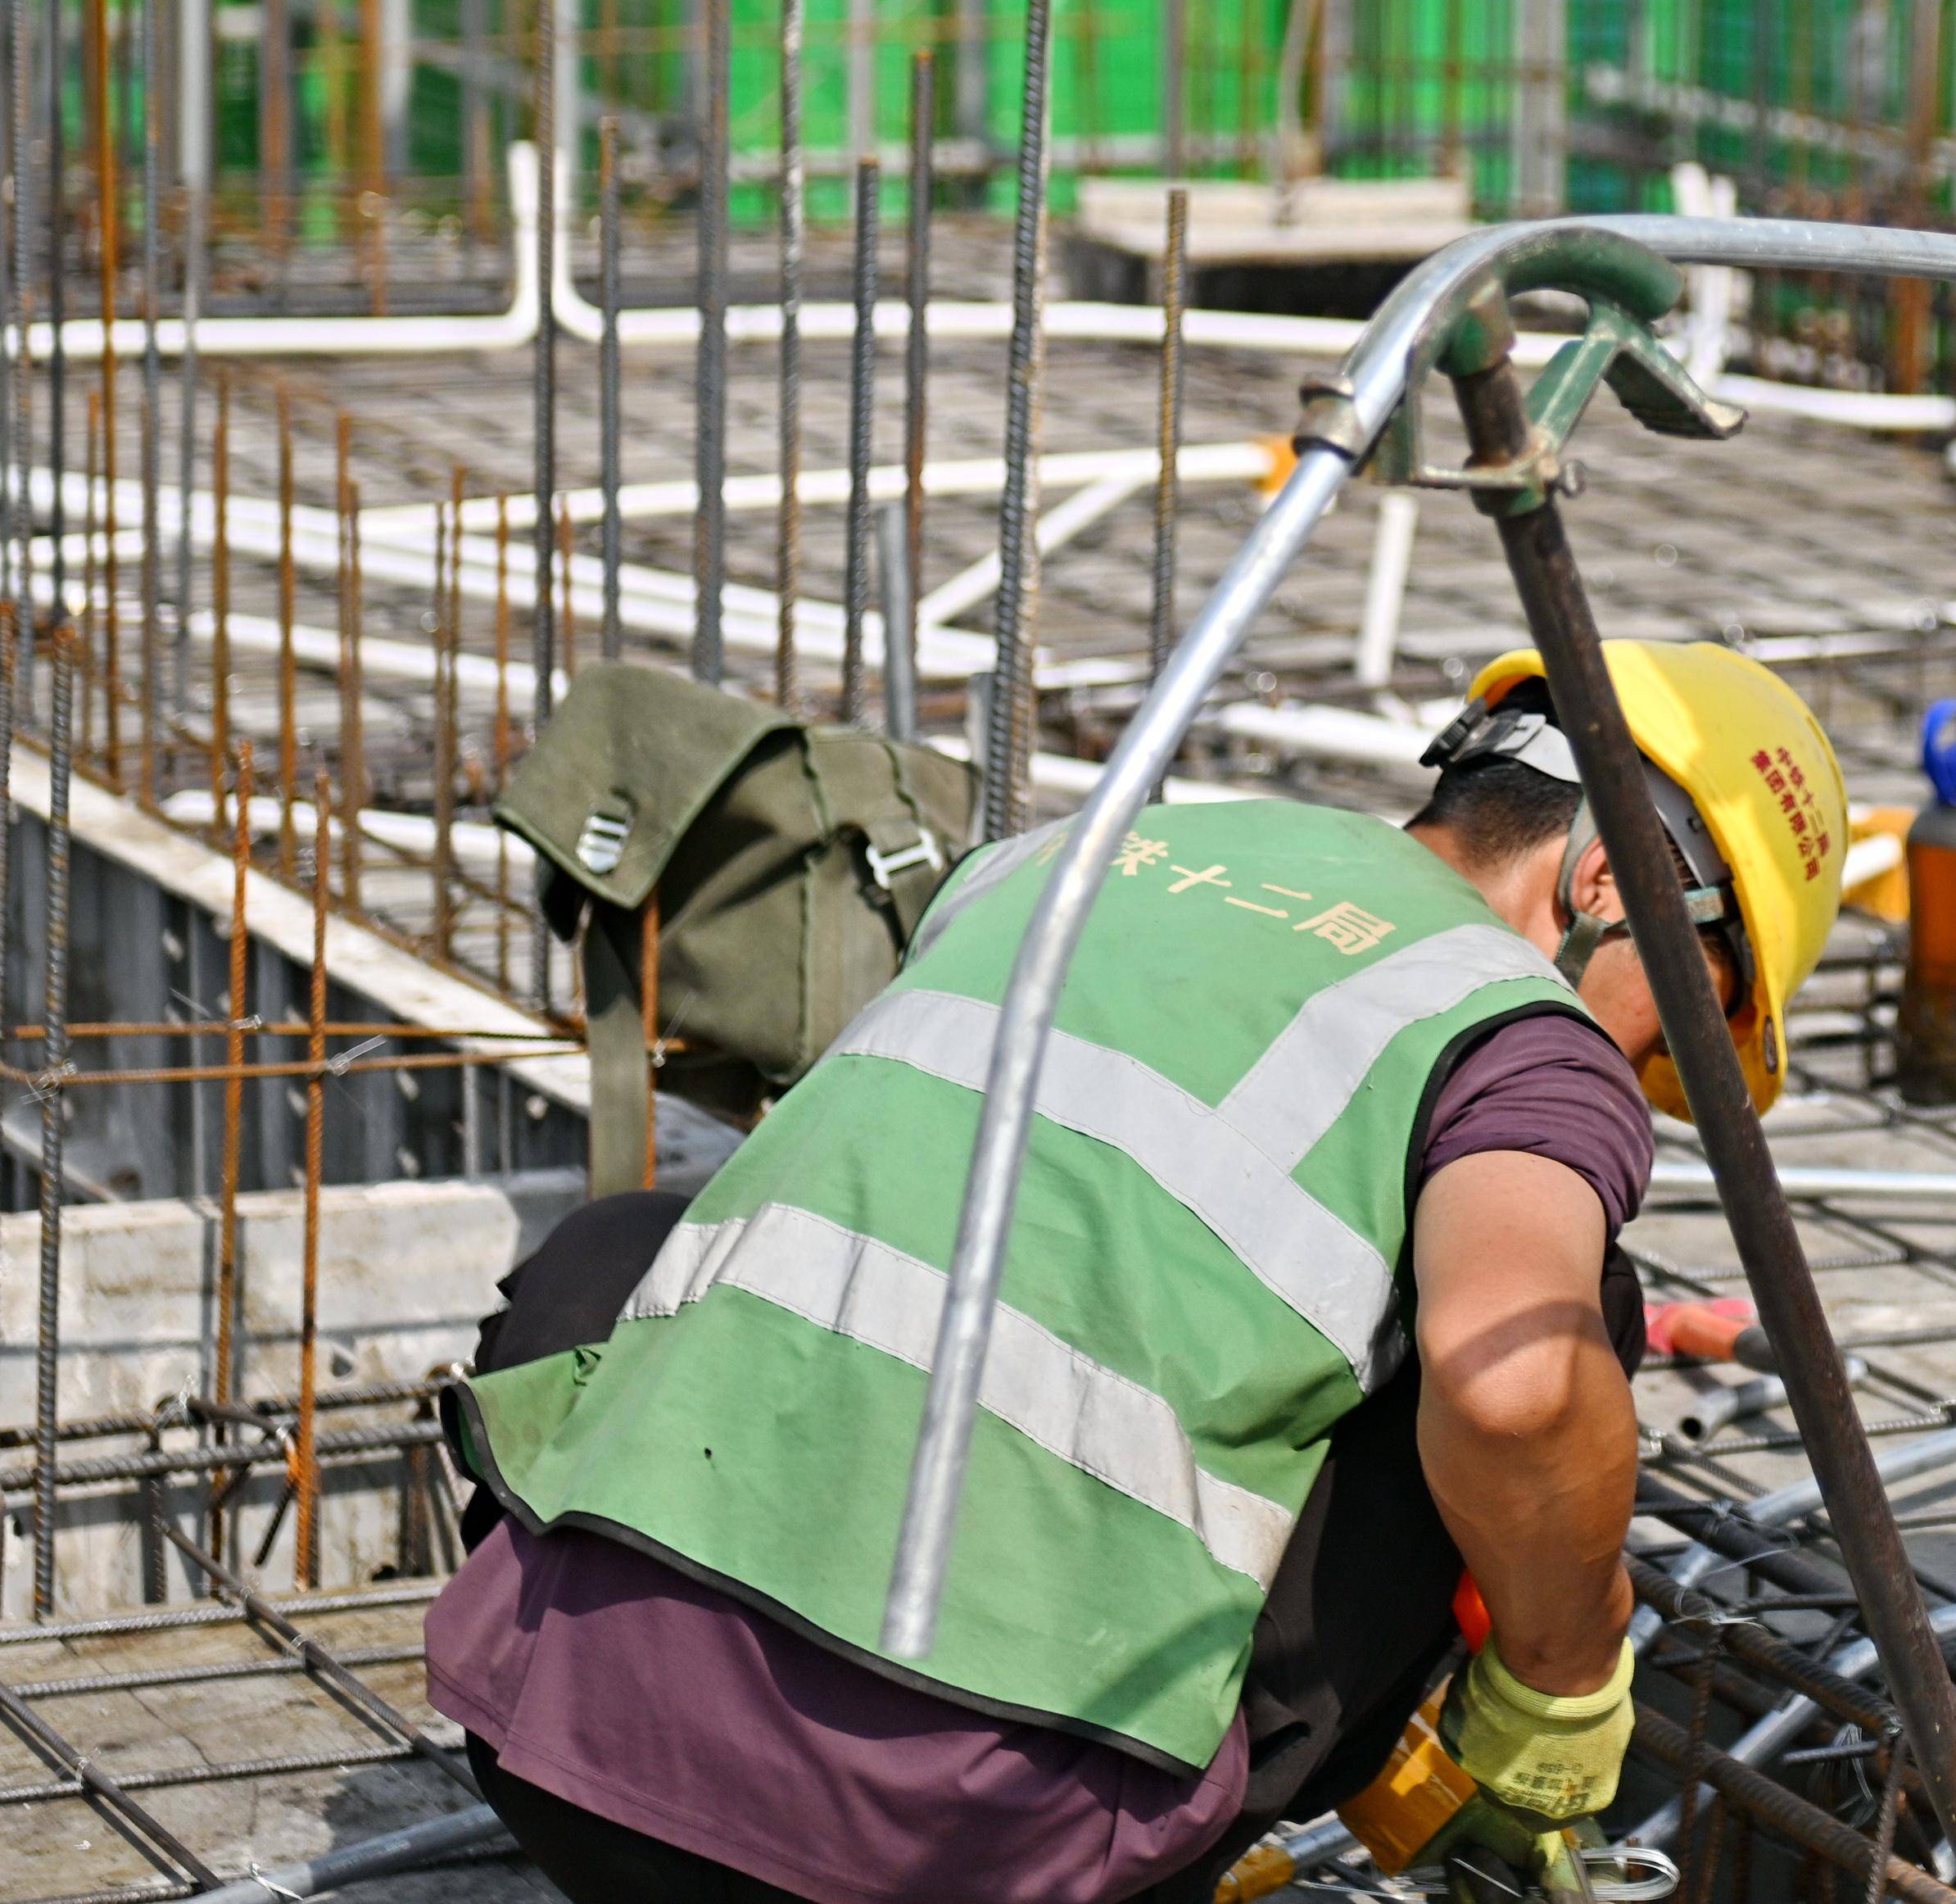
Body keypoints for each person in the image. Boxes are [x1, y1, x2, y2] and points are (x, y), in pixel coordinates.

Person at [430, 641, 1853, 1904]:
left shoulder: (1061, 853)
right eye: (1685, 1031)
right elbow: (1515, 1386)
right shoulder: (1520, 1039)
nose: (1646, 1074)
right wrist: (1565, 1672)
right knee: (1562, 1314)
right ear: (1610, 879)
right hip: (956, 1852)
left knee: (630, 1250)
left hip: (561, 1751)